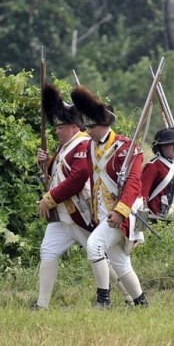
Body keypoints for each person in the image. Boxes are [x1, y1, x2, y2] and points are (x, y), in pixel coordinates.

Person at [34, 84, 132, 309]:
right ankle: (42, 304)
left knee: (102, 255)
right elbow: (59, 174)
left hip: (79, 213)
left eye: (60, 127)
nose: (56, 131)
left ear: (72, 126)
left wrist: (49, 199)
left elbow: (78, 178)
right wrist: (46, 163)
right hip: (62, 216)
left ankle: (128, 297)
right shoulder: (65, 146)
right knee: (48, 251)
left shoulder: (81, 144)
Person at [71, 85, 147, 308]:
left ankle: (103, 300)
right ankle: (141, 303)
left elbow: (134, 183)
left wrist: (120, 211)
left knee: (94, 245)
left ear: (104, 125)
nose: (87, 131)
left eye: (91, 126)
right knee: (120, 262)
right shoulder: (90, 148)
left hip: (124, 212)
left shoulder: (126, 148)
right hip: (103, 213)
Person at [142, 127, 174, 218]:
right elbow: (142, 196)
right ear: (162, 146)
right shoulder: (153, 166)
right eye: (171, 144)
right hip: (160, 219)